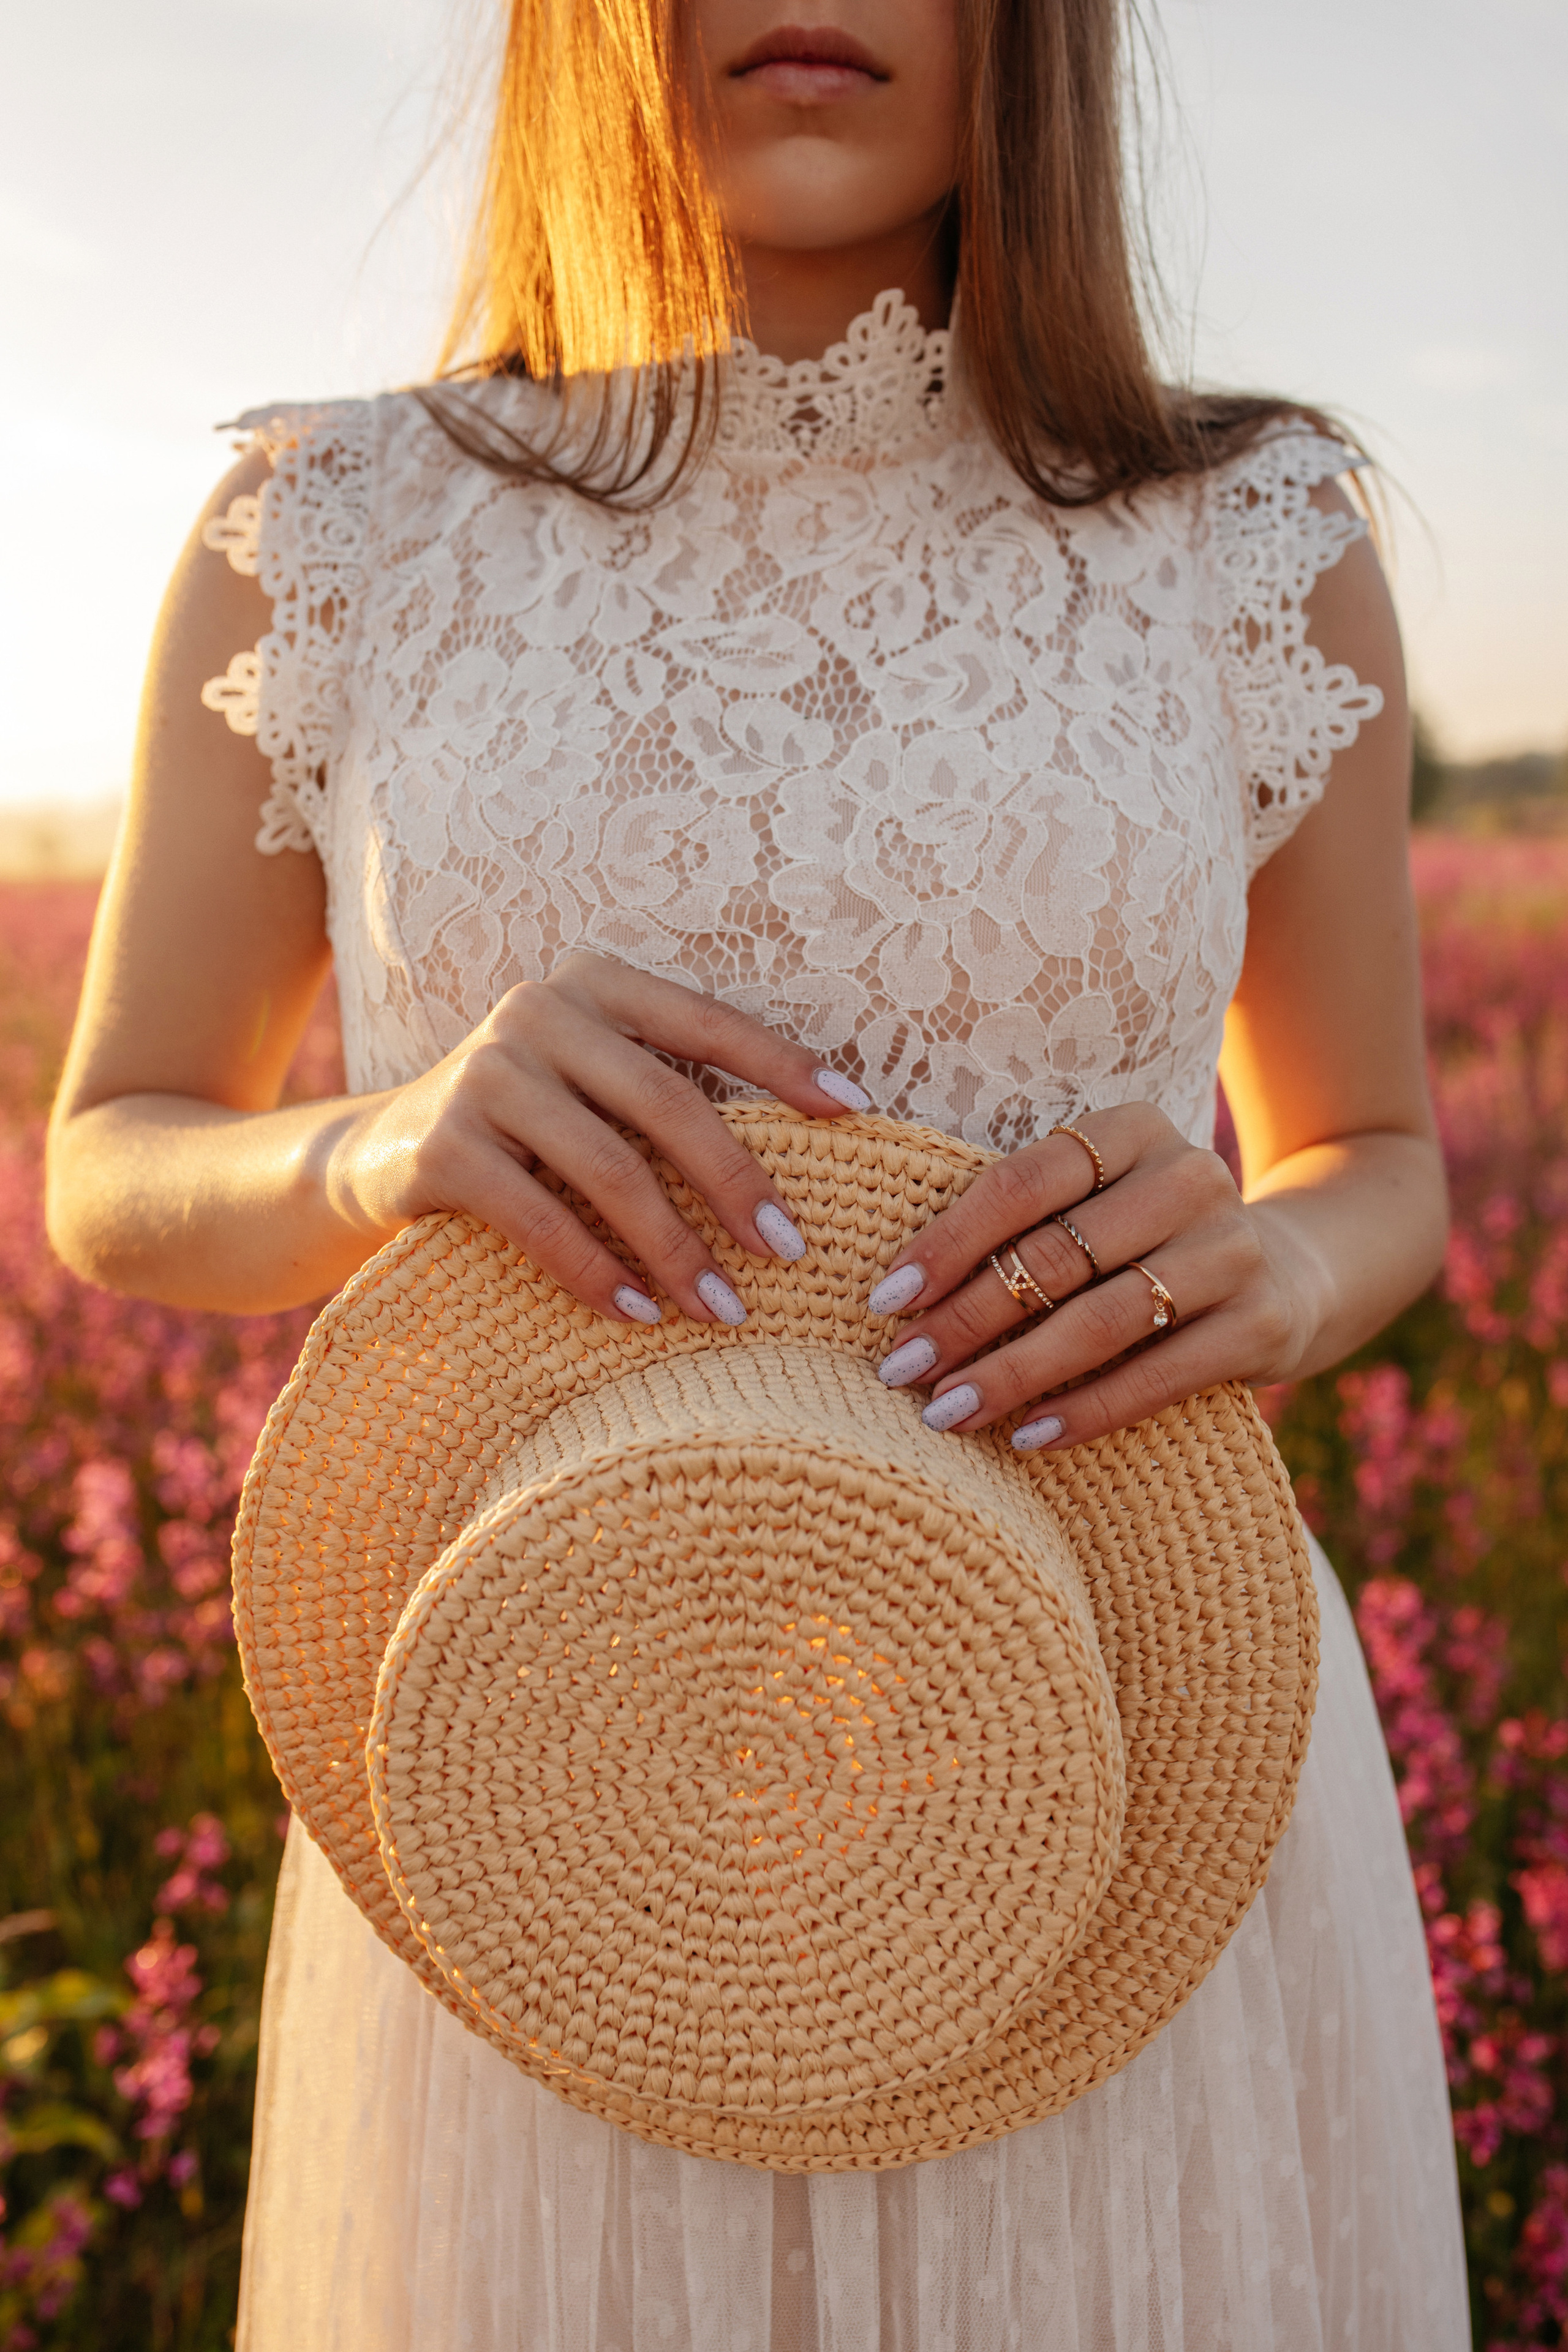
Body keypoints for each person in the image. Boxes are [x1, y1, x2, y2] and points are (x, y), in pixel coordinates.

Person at [47, 0, 1471, 2342]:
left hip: (1124, 1756)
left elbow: (1373, 1152)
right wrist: (378, 1142)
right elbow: (114, 1163)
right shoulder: (328, 529)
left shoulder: (1251, 531)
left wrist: (1286, 1275)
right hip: (537, 1781)